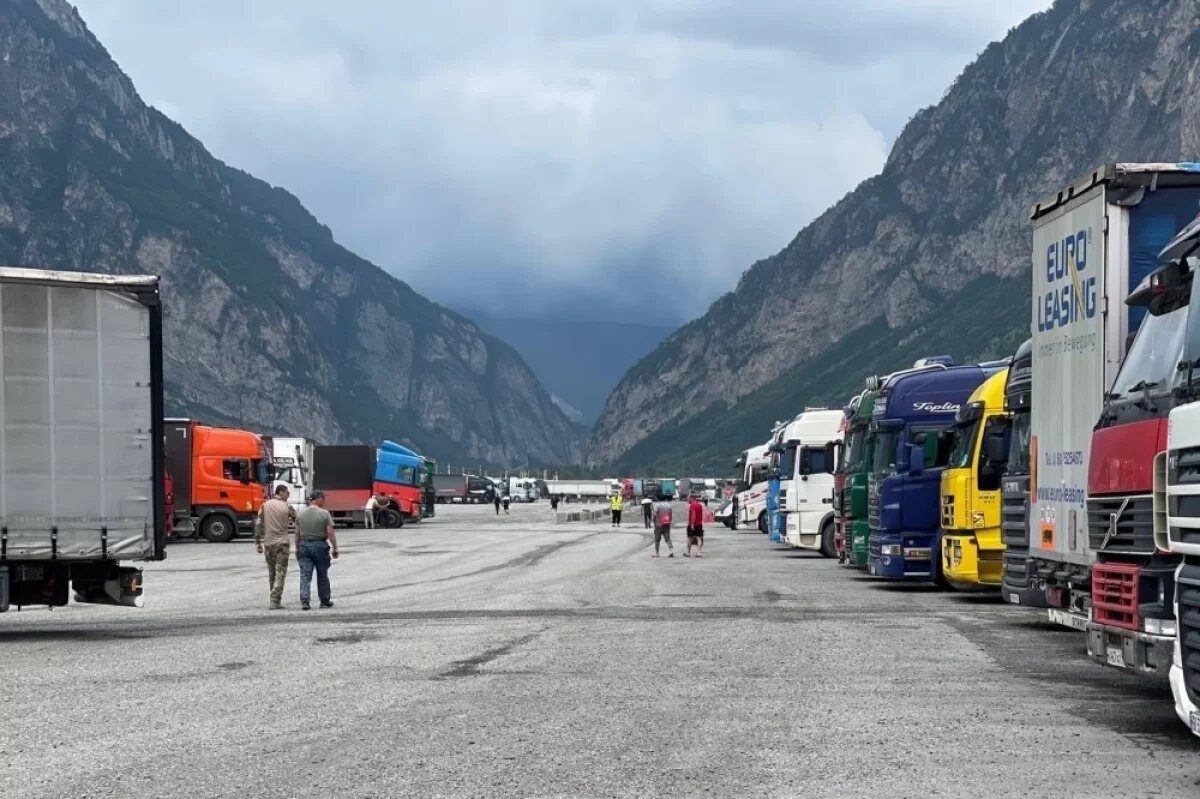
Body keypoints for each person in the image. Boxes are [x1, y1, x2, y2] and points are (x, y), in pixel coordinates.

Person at [296, 490, 339, 611]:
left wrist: (297, 548)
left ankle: (305, 601)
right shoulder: (325, 513)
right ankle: (324, 601)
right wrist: (335, 547)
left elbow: (297, 533)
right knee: (322, 574)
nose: (324, 501)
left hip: (304, 546)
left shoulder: (300, 514)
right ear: (318, 499)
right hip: (320, 546)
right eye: (323, 499)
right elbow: (330, 532)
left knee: (305, 575)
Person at [255, 484, 296, 610]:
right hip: (282, 544)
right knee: (280, 573)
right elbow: (298, 522)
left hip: (268, 544)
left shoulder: (264, 505)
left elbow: (258, 524)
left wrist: (258, 542)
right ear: (281, 492)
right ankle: (274, 600)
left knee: (272, 573)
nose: (288, 495)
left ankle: (274, 599)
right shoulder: (288, 507)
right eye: (287, 492)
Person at [652, 493, 674, 558]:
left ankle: (657, 553)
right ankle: (671, 551)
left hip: (658, 524)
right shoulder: (669, 505)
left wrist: (654, 523)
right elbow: (670, 515)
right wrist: (669, 522)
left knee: (657, 540)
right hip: (666, 524)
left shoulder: (657, 505)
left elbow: (654, 515)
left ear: (658, 498)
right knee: (668, 539)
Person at [686, 493, 705, 558]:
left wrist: (692, 524)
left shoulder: (692, 505)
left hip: (693, 524)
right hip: (699, 524)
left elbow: (693, 514)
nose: (687, 500)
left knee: (690, 538)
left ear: (692, 498)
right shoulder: (700, 505)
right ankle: (699, 553)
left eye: (688, 498)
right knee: (699, 538)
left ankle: (688, 553)